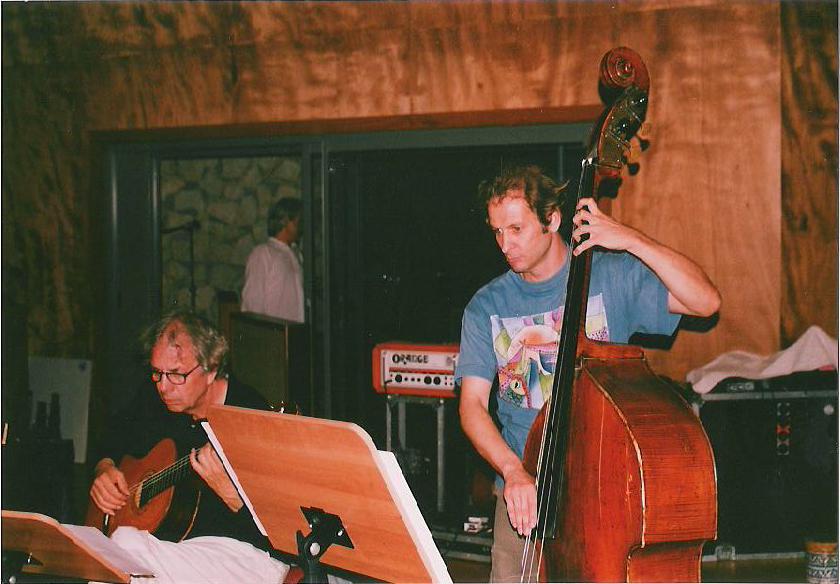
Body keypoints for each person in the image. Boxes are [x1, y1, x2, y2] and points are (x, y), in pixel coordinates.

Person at [455, 165, 721, 582]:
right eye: (496, 231)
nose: (505, 244)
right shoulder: (487, 305)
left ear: (552, 220)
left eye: (516, 228)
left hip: (603, 489)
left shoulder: (609, 277)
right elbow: (471, 405)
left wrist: (632, 240)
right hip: (522, 486)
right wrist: (512, 472)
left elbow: (705, 302)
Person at [89, 311, 289, 584]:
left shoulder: (250, 417)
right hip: (176, 548)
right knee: (113, 546)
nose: (164, 387)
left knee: (125, 545)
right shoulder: (156, 398)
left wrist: (234, 497)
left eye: (176, 374)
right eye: (156, 373)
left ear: (212, 369)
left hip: (246, 556)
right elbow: (113, 434)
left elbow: (284, 533)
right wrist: (105, 467)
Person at [241, 197, 304, 323]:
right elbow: (253, 305)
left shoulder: (296, 254)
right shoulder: (263, 254)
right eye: (298, 221)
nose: (302, 225)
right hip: (273, 336)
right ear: (285, 221)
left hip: (295, 335)